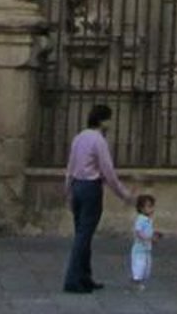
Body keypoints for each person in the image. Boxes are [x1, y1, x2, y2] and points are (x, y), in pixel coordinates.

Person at [62, 102, 131, 294]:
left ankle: (84, 276)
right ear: (103, 121)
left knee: (82, 233)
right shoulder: (99, 141)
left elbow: (70, 166)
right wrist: (123, 193)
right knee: (84, 235)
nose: (111, 124)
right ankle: (73, 278)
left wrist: (68, 190)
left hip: (77, 186)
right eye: (109, 119)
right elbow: (107, 171)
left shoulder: (79, 138)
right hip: (91, 188)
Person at [130, 190, 158, 288]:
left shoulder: (148, 220)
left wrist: (153, 237)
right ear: (141, 208)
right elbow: (138, 231)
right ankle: (136, 281)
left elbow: (149, 231)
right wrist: (147, 238)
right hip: (139, 249)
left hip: (146, 248)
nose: (151, 209)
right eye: (149, 206)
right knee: (139, 265)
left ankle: (140, 280)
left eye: (152, 206)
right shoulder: (141, 219)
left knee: (147, 266)